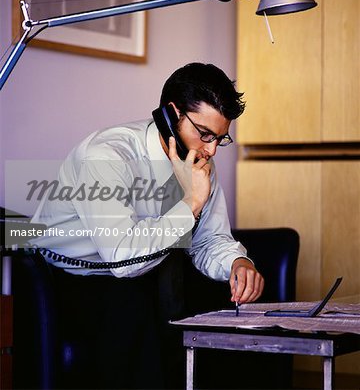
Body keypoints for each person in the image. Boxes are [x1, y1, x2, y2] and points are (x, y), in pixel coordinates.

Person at [29, 62, 264, 389]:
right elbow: (122, 257)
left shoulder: (198, 163)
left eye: (220, 139)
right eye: (205, 135)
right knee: (134, 304)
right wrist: (191, 204)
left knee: (213, 302)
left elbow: (210, 240)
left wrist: (238, 263)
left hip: (144, 271)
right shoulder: (108, 156)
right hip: (75, 276)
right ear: (172, 115)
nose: (210, 150)